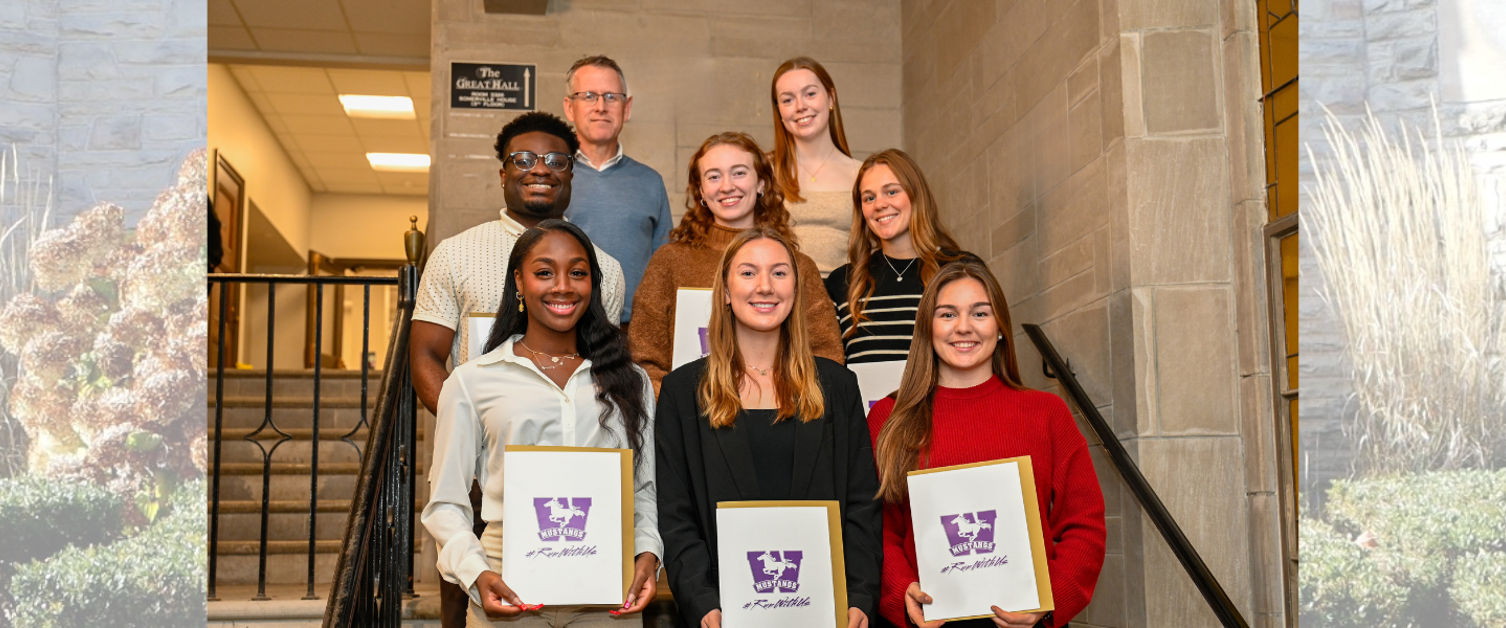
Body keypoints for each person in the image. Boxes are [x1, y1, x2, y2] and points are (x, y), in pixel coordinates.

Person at [410, 111, 629, 628]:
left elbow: (602, 365)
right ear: (503, 171)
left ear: (572, 173)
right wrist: (477, 436)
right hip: (481, 457)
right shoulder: (455, 253)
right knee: (471, 585)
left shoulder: (605, 268)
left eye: (556, 160)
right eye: (524, 159)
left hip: (577, 475)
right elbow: (425, 357)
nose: (541, 169)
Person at [422, 220, 661, 628]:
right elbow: (446, 502)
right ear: (519, 281)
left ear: (593, 283)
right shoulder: (471, 381)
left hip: (609, 593)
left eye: (578, 273)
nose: (563, 286)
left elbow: (644, 490)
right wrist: (476, 574)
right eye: (545, 272)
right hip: (507, 587)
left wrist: (648, 554)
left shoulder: (630, 381)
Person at [655, 227, 881, 628]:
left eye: (779, 272)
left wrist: (860, 595)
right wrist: (702, 603)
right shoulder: (681, 391)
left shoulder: (838, 386)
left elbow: (862, 503)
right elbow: (676, 514)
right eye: (748, 273)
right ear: (726, 291)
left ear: (796, 288)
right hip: (723, 614)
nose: (765, 286)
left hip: (826, 610)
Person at [867, 261, 1106, 628]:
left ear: (1000, 328)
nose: (964, 326)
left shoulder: (1046, 412)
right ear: (927, 327)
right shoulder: (888, 418)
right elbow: (877, 527)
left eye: (980, 313)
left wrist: (1050, 597)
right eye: (947, 314)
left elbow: (1084, 522)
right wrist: (901, 590)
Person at [629, 132, 843, 393]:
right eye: (714, 176)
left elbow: (826, 354)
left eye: (739, 173)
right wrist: (679, 407)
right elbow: (643, 358)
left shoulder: (798, 267)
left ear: (761, 183)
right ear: (701, 191)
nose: (727, 186)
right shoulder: (669, 262)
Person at [825, 149, 979, 364]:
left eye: (891, 192)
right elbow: (831, 368)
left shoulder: (961, 269)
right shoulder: (841, 282)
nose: (879, 204)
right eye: (869, 198)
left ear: (916, 194)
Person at [560, 55, 673, 331]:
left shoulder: (650, 182)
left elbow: (665, 266)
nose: (601, 107)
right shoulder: (551, 178)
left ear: (627, 107)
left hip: (633, 332)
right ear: (569, 107)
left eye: (611, 97)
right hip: (562, 327)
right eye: (589, 96)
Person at [770, 57, 863, 274]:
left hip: (844, 291)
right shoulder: (763, 172)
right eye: (788, 100)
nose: (801, 106)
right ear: (779, 111)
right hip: (780, 292)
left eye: (810, 94)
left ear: (831, 98)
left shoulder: (862, 174)